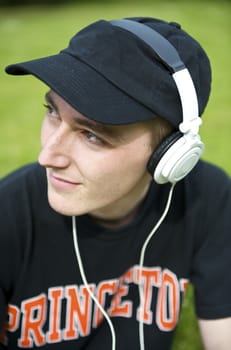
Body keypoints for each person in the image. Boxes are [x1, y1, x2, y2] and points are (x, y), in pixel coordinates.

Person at [0, 16, 231, 350]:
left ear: (171, 154)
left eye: (92, 135)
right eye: (51, 111)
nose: (47, 156)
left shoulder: (206, 199)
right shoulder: (7, 216)